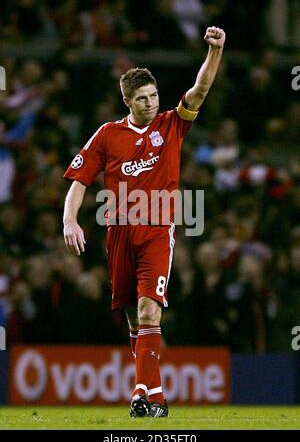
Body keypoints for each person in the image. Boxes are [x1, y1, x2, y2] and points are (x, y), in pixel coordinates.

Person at [63, 26, 225, 417]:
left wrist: (215, 52)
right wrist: (70, 220)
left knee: (150, 310)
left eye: (153, 96)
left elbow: (201, 89)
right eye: (142, 98)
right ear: (127, 101)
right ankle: (154, 396)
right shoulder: (107, 135)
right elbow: (80, 179)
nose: (151, 103)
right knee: (134, 317)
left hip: (157, 229)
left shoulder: (172, 124)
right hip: (118, 232)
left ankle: (141, 391)